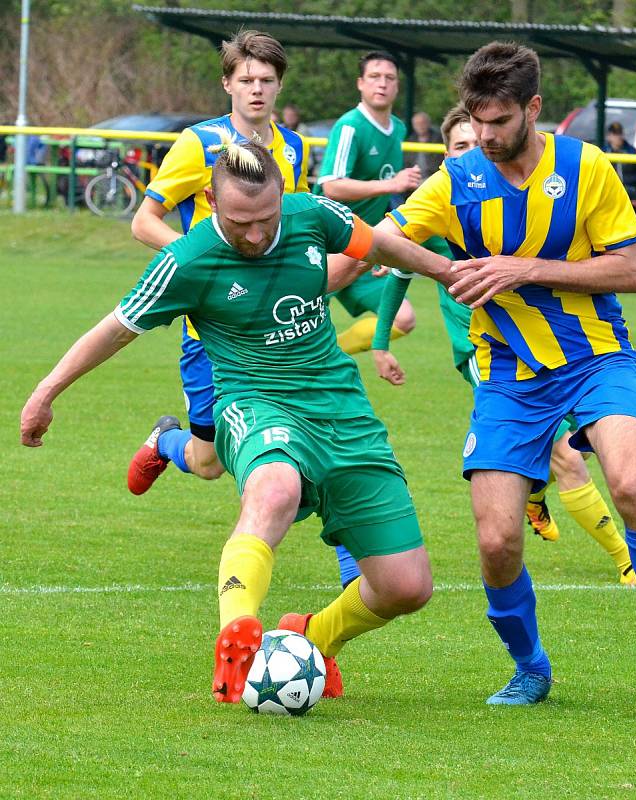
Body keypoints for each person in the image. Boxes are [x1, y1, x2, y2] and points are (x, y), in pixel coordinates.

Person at [20, 139, 455, 704]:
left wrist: (450, 272)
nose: (254, 235)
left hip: (342, 410)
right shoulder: (187, 260)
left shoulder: (311, 214)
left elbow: (381, 244)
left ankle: (311, 636)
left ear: (283, 197)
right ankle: (237, 636)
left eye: (266, 219)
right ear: (210, 199)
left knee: (406, 587)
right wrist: (45, 392)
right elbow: (115, 328)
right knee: (274, 487)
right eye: (239, 221)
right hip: (253, 402)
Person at [377, 41, 636, 709]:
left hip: (595, 357)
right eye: (474, 121)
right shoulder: (456, 179)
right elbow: (385, 236)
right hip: (507, 376)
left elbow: (632, 270)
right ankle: (529, 667)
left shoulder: (585, 167)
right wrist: (443, 269)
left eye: (497, 121)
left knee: (629, 478)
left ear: (532, 109)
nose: (484, 135)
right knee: (497, 538)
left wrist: (523, 268)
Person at [370, 104, 636, 587]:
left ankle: (534, 489)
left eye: (486, 137)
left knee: (610, 460)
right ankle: (624, 559)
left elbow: (630, 268)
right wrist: (380, 341)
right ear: (447, 155)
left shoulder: (548, 183)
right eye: (464, 145)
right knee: (567, 456)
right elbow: (395, 273)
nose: (479, 148)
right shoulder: (443, 212)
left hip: (571, 352)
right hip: (488, 357)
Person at [129, 30, 310, 493]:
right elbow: (144, 221)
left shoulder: (294, 148)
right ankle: (167, 440)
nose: (257, 89)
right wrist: (201, 268)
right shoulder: (198, 143)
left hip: (276, 322)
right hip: (210, 325)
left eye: (266, 80)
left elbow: (299, 222)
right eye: (246, 79)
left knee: (308, 438)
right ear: (227, 84)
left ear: (279, 86)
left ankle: (353, 562)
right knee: (208, 462)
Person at [317, 50, 422, 355]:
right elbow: (331, 186)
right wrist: (393, 184)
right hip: (324, 245)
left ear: (397, 86)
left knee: (403, 319)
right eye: (374, 77)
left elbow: (382, 200)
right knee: (294, 326)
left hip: (362, 246)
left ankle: (331, 354)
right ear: (360, 83)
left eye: (390, 78)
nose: (382, 84)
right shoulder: (351, 126)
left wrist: (382, 250)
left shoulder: (398, 129)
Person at [403, 111, 444, 183]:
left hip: (434, 179)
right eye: (417, 124)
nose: (420, 126)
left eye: (423, 123)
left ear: (429, 123)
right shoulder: (410, 141)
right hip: (413, 179)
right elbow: (406, 163)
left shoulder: (439, 140)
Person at [603, 121, 636, 199]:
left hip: (628, 188)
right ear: (608, 136)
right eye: (615, 134)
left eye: (620, 133)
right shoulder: (603, 152)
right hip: (609, 188)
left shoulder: (632, 152)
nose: (618, 137)